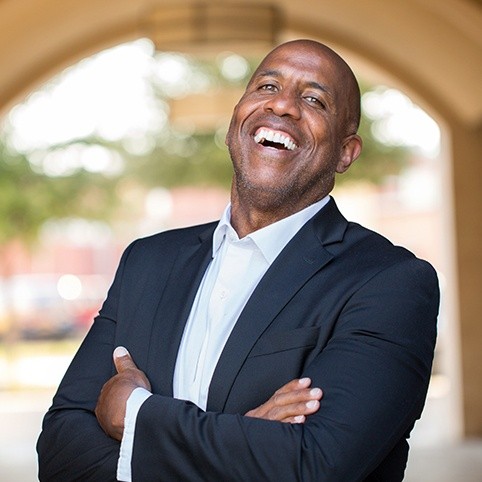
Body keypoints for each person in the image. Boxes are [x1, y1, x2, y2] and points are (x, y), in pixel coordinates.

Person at [37, 39, 439, 481]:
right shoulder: (147, 263)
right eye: (267, 86)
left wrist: (134, 412)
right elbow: (60, 450)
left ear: (346, 152)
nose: (283, 105)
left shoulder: (390, 282)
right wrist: (246, 437)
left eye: (314, 99)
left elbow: (316, 465)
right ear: (236, 120)